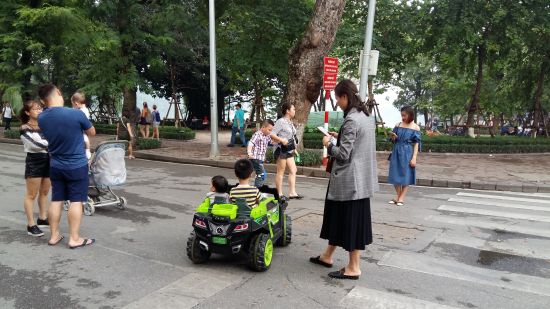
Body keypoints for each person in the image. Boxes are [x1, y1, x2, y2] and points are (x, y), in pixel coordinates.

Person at [309, 79, 378, 280]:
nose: (337, 103)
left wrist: (329, 144)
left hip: (349, 181)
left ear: (345, 96)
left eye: (338, 98)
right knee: (339, 219)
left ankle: (353, 267)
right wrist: (338, 135)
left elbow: (344, 154)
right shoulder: (366, 116)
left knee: (350, 224)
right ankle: (327, 255)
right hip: (360, 180)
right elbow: (357, 142)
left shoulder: (351, 120)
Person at [37, 84, 96, 249]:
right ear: (58, 92)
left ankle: (54, 235)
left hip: (55, 165)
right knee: (76, 200)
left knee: (56, 199)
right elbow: (92, 132)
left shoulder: (42, 118)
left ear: (43, 100)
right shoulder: (75, 113)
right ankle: (74, 238)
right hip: (76, 164)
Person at [19, 100, 51, 237]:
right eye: (35, 109)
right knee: (32, 194)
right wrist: (53, 144)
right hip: (35, 161)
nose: (39, 111)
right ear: (27, 112)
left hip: (49, 159)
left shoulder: (46, 125)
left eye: (40, 108)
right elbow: (35, 144)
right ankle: (31, 224)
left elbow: (55, 137)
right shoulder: (25, 127)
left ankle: (42, 218)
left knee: (45, 191)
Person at [387, 106, 421, 206]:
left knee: (406, 175)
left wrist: (414, 158)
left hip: (407, 152)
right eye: (401, 115)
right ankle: (398, 197)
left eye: (404, 115)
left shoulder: (415, 127)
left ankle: (400, 198)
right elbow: (392, 140)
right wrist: (393, 137)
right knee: (394, 174)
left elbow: (416, 144)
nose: (402, 117)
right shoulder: (398, 125)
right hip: (396, 151)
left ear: (410, 115)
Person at [271, 103, 302, 199]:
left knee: (293, 170)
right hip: (281, 149)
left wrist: (295, 149)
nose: (294, 110)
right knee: (281, 171)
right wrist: (281, 140)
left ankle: (292, 193)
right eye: (293, 109)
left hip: (289, 149)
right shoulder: (280, 122)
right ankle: (279, 194)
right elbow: (272, 134)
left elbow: (292, 136)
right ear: (287, 111)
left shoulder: (290, 122)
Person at [247, 119, 274, 188]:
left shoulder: (267, 135)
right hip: (255, 158)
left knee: (249, 173)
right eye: (269, 130)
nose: (270, 132)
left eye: (271, 130)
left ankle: (249, 187)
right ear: (263, 127)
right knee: (261, 174)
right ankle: (257, 190)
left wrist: (280, 141)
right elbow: (251, 143)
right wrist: (249, 153)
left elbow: (272, 142)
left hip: (260, 159)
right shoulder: (257, 135)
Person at [71, 91, 92, 160]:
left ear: (76, 104)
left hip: (81, 128)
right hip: (84, 127)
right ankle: (88, 151)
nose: (72, 106)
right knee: (85, 138)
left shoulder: (81, 111)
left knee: (85, 138)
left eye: (72, 104)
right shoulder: (85, 109)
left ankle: (88, 151)